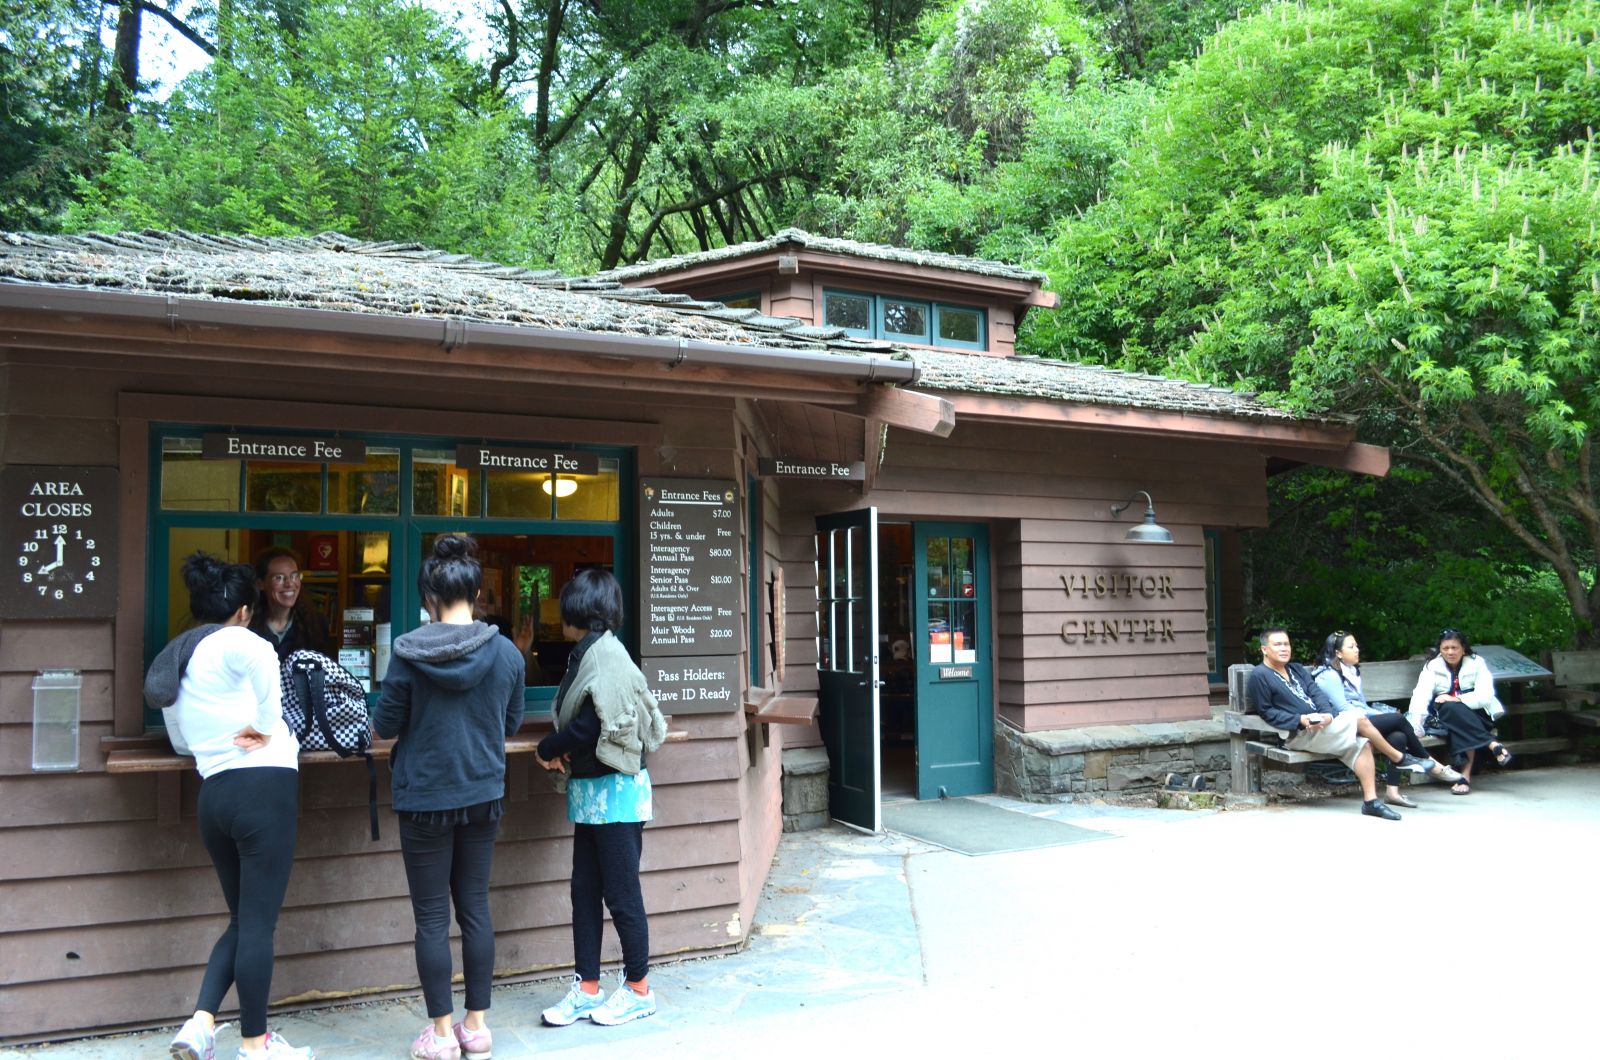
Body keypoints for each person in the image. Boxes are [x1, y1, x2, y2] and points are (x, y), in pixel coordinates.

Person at [144, 553, 314, 1060]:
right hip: (263, 791)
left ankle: (200, 1023)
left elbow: (179, 739)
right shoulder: (242, 640)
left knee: (243, 920)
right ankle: (255, 1045)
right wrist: (264, 723)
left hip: (214, 795)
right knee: (259, 924)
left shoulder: (178, 657)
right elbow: (263, 659)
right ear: (243, 609)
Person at [374, 535, 526, 1060]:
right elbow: (509, 724)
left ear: (428, 598)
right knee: (476, 909)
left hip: (423, 799)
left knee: (432, 919)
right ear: (478, 591)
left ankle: (440, 1035)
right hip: (483, 792)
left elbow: (386, 725)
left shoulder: (409, 652)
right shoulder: (506, 653)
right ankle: (476, 1027)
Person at [536, 569, 668, 1028]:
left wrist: (545, 749)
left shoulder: (606, 656)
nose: (560, 610)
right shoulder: (589, 652)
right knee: (585, 891)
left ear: (581, 610)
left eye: (566, 602)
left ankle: (639, 989)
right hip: (593, 792)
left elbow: (591, 726)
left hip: (617, 793)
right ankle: (587, 988)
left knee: (621, 892)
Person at [1247, 628, 1436, 820]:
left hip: (1324, 727)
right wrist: (1299, 720)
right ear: (1264, 649)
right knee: (1359, 719)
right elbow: (1267, 711)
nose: (1284, 648)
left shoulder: (1295, 669)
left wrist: (1328, 715)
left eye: (1286, 644)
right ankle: (1399, 758)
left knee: (1363, 744)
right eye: (1277, 644)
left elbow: (1316, 694)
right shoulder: (1260, 675)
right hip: (1297, 734)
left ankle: (1371, 802)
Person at [1312, 630, 1463, 807]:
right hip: (1344, 726)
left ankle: (1392, 793)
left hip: (1362, 721)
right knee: (1398, 720)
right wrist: (1382, 716)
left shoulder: (1351, 671)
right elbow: (1344, 709)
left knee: (1398, 736)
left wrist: (1379, 714)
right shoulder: (1328, 675)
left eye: (1356, 645)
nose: (1357, 650)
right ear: (1338, 653)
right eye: (1351, 647)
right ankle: (1433, 765)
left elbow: (1361, 706)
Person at [1407, 629, 1513, 795]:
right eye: (1445, 648)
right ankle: (1492, 746)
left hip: (1476, 711)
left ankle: (1464, 776)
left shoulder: (1477, 663)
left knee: (1456, 717)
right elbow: (1421, 693)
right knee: (1452, 712)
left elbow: (1486, 695)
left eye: (1454, 648)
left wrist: (1458, 699)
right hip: (1445, 714)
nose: (1450, 652)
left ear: (1463, 648)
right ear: (1440, 650)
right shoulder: (1433, 666)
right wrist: (1417, 722)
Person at [248, 548, 332, 661]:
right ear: (260, 583)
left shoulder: (317, 624)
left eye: (294, 576)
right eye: (279, 578)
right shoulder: (246, 626)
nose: (289, 584)